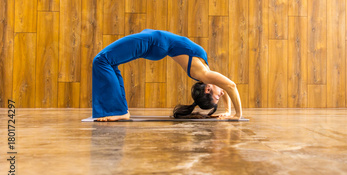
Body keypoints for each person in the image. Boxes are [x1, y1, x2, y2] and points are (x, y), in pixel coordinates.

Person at [92, 29, 243, 121]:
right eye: (218, 98)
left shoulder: (204, 74)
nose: (221, 94)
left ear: (207, 89)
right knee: (109, 63)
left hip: (154, 42)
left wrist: (237, 114)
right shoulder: (206, 74)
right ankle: (119, 110)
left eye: (217, 97)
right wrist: (231, 112)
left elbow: (229, 86)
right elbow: (226, 87)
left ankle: (119, 111)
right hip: (155, 41)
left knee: (101, 60)